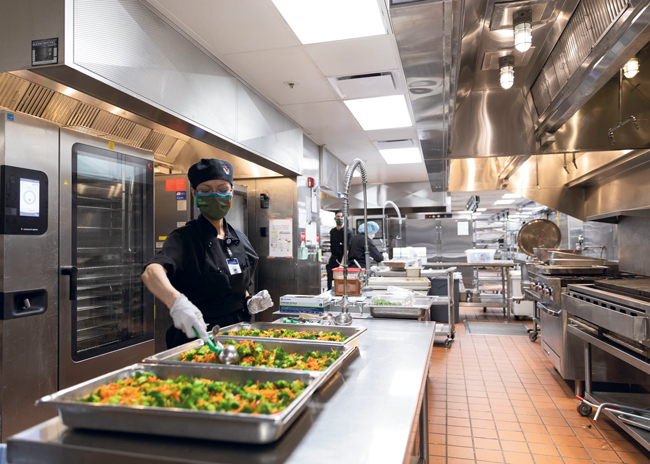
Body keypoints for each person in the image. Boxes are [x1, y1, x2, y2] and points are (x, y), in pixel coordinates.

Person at [142, 158, 273, 349]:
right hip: (198, 338)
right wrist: (176, 302)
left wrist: (249, 300)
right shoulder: (185, 238)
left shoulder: (239, 238)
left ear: (231, 192)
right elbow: (151, 272)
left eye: (222, 189)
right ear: (195, 194)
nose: (215, 195)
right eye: (205, 190)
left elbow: (235, 284)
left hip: (238, 335)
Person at [326, 210, 352, 289]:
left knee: (341, 282)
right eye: (338, 217)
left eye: (341, 217)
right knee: (330, 279)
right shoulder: (332, 231)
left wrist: (342, 264)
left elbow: (347, 250)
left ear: (344, 219)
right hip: (333, 259)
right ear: (334, 218)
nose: (340, 218)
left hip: (343, 260)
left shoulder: (348, 232)